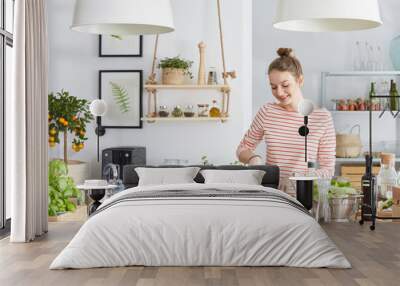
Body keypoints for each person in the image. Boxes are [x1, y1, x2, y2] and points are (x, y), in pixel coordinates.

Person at [237, 48, 336, 194]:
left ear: (299, 80)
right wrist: (254, 158)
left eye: (285, 85)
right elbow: (242, 148)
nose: (279, 92)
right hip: (272, 196)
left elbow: (328, 170)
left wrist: (295, 179)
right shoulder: (267, 112)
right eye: (273, 87)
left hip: (305, 198)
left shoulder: (322, 118)